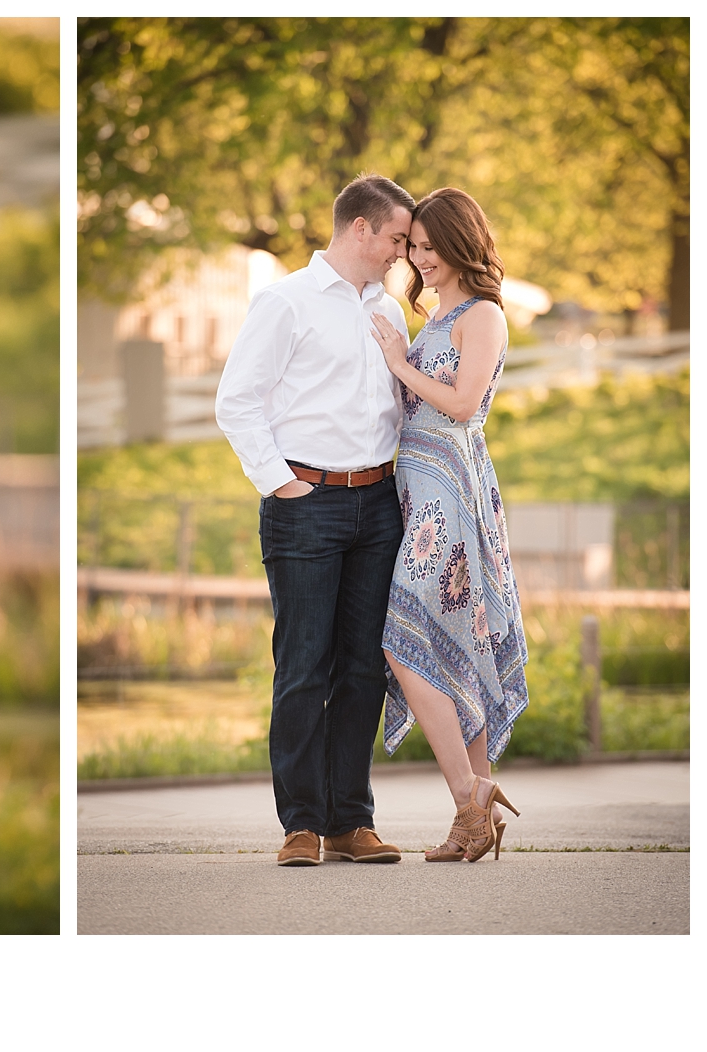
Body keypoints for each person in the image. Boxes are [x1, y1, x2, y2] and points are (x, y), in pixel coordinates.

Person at [215, 173, 415, 867]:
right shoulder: (284, 303)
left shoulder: (391, 310)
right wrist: (282, 485)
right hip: (307, 504)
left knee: (362, 668)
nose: (402, 251)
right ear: (360, 228)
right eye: (395, 237)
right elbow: (236, 401)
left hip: (378, 504)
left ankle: (349, 822)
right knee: (303, 665)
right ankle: (300, 824)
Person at [369, 187, 526, 862]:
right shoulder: (437, 315)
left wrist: (401, 363)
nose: (420, 259)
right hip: (415, 493)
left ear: (461, 245)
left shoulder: (483, 315)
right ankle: (473, 811)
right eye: (415, 247)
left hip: (450, 499)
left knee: (403, 643)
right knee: (448, 645)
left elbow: (463, 404)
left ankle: (470, 797)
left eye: (431, 247)